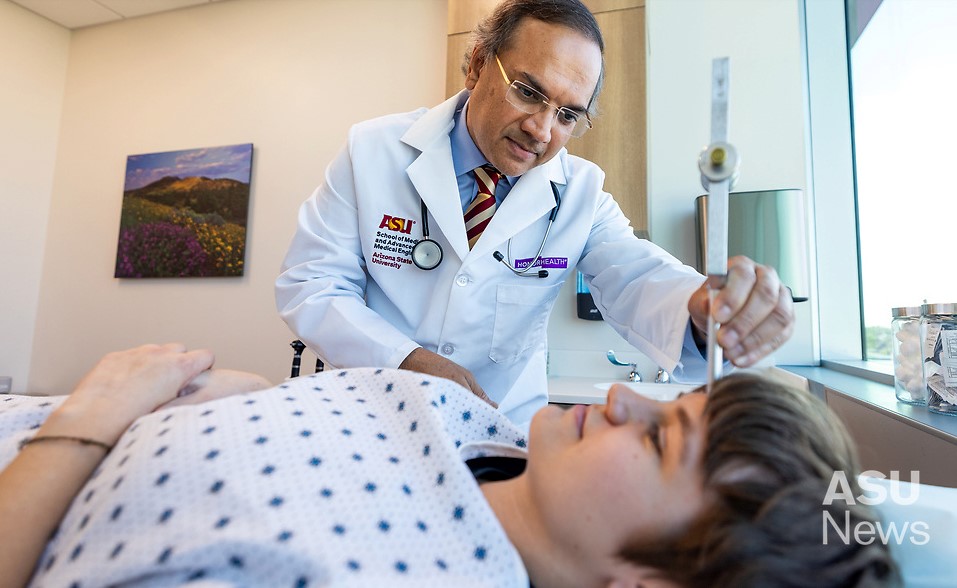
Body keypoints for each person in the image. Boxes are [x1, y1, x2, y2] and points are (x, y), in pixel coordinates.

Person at [274, 0, 795, 426]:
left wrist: (703, 309)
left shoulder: (580, 195)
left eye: (568, 114)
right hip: (365, 418)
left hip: (494, 436)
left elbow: (636, 275)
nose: (542, 131)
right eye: (529, 93)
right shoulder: (374, 151)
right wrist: (404, 362)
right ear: (478, 63)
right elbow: (312, 283)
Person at [0, 345, 896, 587]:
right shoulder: (485, 427)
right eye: (669, 401)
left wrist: (88, 422)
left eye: (662, 438)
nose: (623, 397)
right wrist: (215, 392)